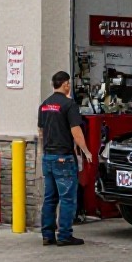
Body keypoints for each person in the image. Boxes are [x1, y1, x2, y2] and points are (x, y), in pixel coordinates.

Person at [38, 71, 92, 247]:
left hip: (48, 157)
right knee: (68, 198)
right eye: (68, 84)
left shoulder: (44, 105)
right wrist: (86, 151)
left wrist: (43, 152)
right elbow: (76, 132)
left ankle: (47, 235)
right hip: (64, 158)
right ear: (66, 84)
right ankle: (64, 235)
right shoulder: (69, 105)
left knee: (50, 198)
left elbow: (41, 132)